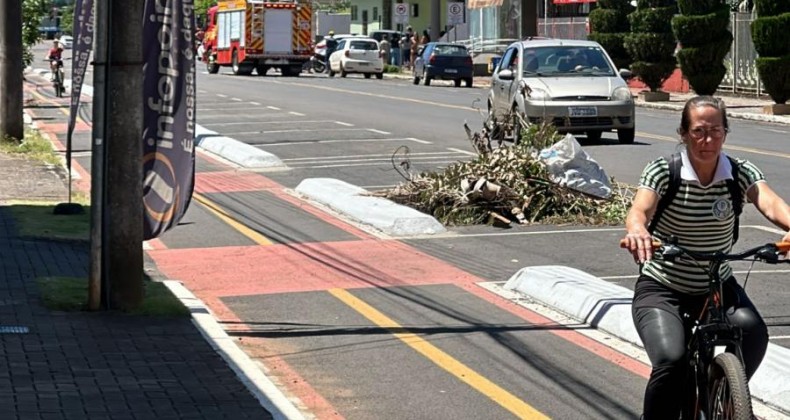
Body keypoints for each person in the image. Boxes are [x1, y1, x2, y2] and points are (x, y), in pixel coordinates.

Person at [622, 96, 790, 420]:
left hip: (715, 282)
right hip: (663, 287)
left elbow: (770, 203)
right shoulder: (664, 171)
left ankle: (727, 399)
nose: (707, 139)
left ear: (725, 133)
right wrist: (637, 231)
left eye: (715, 131)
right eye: (698, 131)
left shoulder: (738, 172)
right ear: (683, 133)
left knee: (754, 334)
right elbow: (639, 209)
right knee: (672, 360)